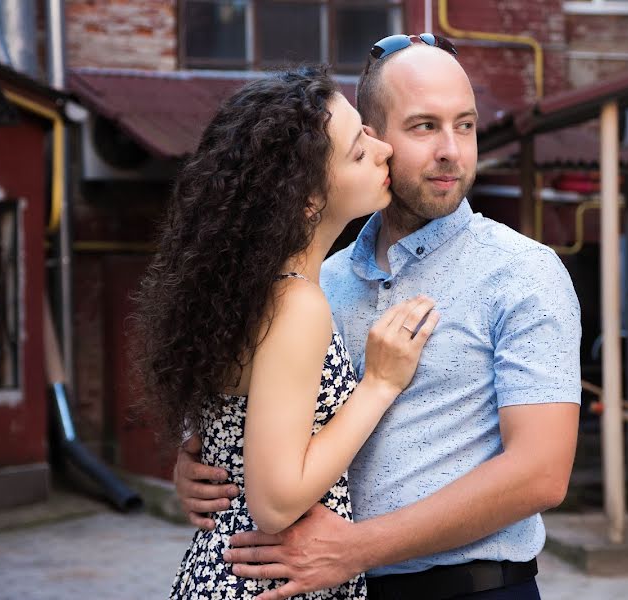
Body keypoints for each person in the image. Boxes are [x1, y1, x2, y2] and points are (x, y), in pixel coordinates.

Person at [175, 35, 582, 600]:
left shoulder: (523, 272)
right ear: (373, 137)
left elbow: (540, 474)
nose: (451, 151)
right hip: (324, 586)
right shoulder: (318, 280)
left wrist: (356, 548)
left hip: (470, 589)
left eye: (464, 125)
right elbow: (258, 410)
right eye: (424, 127)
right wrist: (200, 464)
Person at [132, 66, 441, 600]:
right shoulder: (296, 302)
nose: (384, 150)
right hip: (269, 578)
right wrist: (379, 385)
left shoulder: (247, 290)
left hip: (227, 571)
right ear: (306, 200)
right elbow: (276, 502)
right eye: (358, 151)